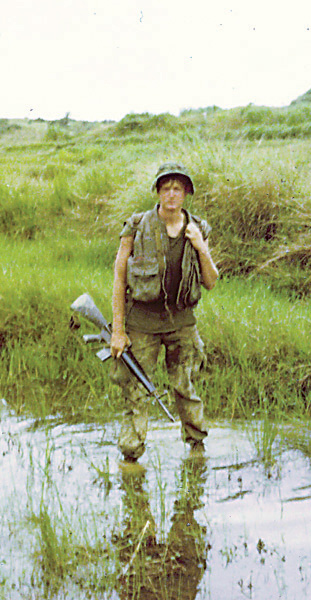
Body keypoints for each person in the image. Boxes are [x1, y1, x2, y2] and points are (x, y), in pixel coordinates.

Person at [110, 162, 218, 462]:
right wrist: (118, 331)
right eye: (166, 187)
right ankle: (130, 457)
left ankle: (197, 449)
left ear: (186, 194)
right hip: (141, 324)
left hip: (181, 323)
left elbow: (210, 281)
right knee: (137, 390)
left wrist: (201, 247)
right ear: (158, 192)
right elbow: (119, 279)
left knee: (185, 386)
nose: (172, 194)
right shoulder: (136, 226)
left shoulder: (198, 228)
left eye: (178, 188)